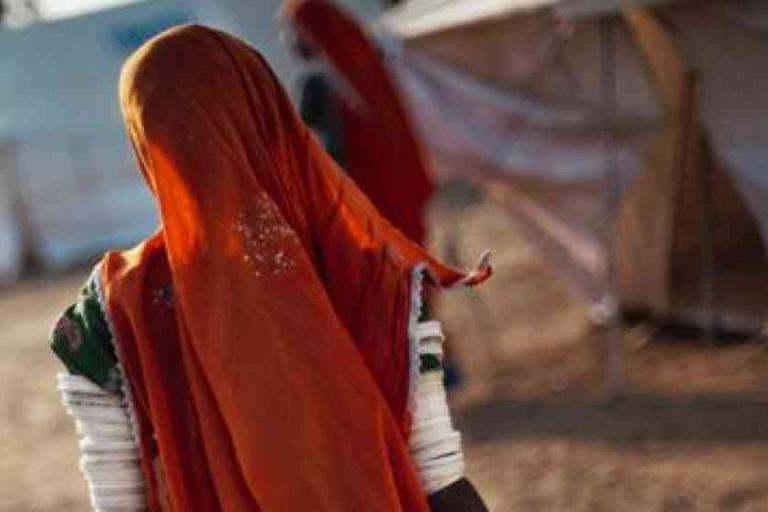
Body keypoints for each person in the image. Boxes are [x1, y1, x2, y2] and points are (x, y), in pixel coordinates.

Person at [50, 25, 490, 511]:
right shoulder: (366, 272)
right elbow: (440, 476)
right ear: (272, 117)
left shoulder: (109, 310)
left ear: (146, 143)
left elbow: (116, 502)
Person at [282, 0, 433, 244]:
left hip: (361, 192)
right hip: (376, 191)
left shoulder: (318, 85)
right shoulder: (368, 71)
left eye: (292, 30)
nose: (288, 40)